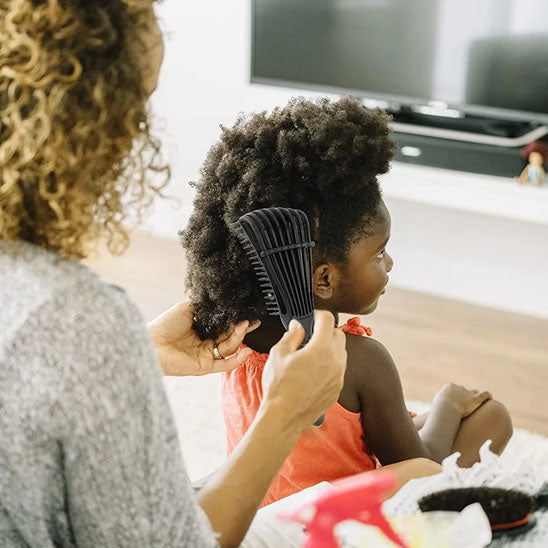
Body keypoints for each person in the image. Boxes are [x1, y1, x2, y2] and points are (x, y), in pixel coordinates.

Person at [0, 2, 353, 547]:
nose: (140, 138)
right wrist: (285, 414)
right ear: (84, 125)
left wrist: (131, 355)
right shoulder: (72, 317)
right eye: (136, 108)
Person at [182, 96, 514, 506]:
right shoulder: (361, 361)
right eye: (378, 253)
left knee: (412, 421)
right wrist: (446, 403)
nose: (389, 262)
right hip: (340, 519)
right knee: (491, 416)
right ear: (324, 278)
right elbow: (418, 464)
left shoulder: (234, 339)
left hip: (259, 506)